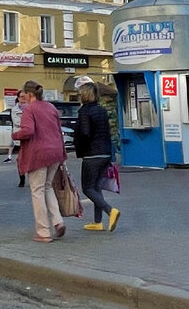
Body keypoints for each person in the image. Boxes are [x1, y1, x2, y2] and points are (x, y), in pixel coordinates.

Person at [12, 81, 68, 242]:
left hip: (38, 154)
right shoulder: (51, 107)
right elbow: (59, 130)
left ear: (30, 95)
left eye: (24, 96)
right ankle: (58, 221)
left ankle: (43, 231)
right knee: (48, 187)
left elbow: (28, 131)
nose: (23, 100)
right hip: (55, 152)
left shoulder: (30, 109)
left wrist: (15, 135)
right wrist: (62, 154)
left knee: (37, 191)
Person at [74, 81, 119, 232]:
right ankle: (97, 222)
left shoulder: (84, 111)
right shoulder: (101, 110)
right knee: (96, 187)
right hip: (105, 152)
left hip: (92, 155)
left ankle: (110, 211)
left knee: (87, 188)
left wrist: (80, 147)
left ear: (84, 95)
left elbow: (85, 133)